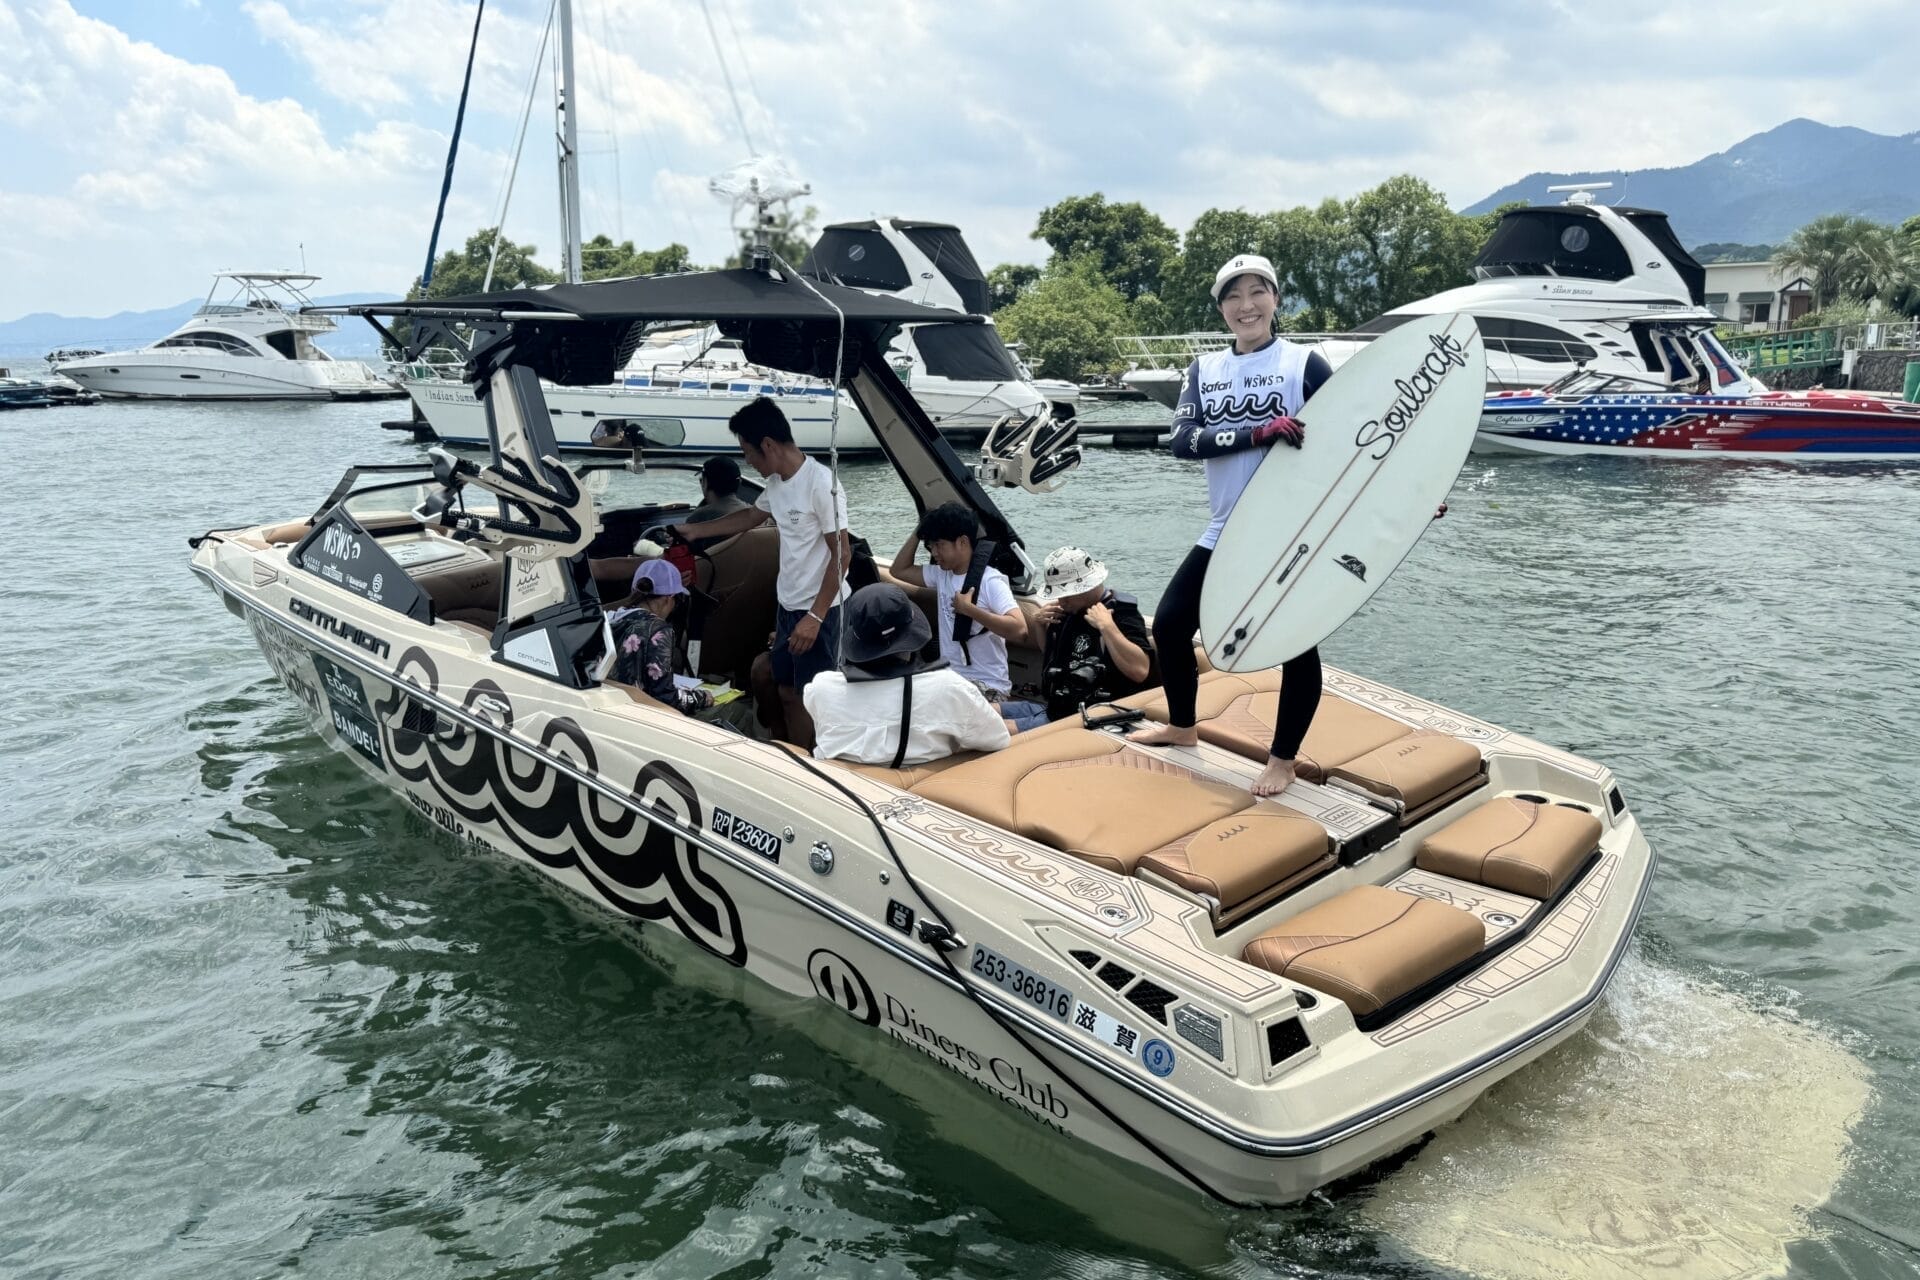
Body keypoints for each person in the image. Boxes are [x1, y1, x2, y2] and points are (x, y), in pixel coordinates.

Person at [1127, 253, 1333, 797]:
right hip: (1224, 526)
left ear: (1275, 299)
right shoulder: (1204, 370)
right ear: (1221, 309)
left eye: (1257, 292)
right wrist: (1255, 434)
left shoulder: (1304, 364)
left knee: (1295, 644)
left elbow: (1353, 438)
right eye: (1233, 296)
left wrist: (1407, 497)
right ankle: (1182, 726)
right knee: (1170, 625)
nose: (1246, 306)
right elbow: (1181, 442)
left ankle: (1283, 760)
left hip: (1287, 532)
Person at [668, 397, 848, 748]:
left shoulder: (821, 484)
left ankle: (806, 764)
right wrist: (694, 532)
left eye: (748, 451)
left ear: (767, 445)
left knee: (798, 695)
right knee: (770, 679)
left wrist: (815, 616)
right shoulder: (778, 484)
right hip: (788, 605)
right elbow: (751, 517)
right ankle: (782, 747)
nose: (746, 460)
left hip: (819, 610)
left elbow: (842, 555)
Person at [805, 583, 1009, 766]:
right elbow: (998, 739)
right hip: (918, 794)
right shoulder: (950, 687)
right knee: (1031, 713)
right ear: (912, 635)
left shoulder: (822, 687)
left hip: (843, 792)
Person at [889, 502, 1027, 701]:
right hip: (950, 680)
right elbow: (898, 570)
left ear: (962, 542)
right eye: (931, 545)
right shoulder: (942, 575)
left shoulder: (991, 581)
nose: (934, 553)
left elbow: (1020, 630)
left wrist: (970, 610)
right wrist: (921, 530)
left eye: (939, 545)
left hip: (987, 687)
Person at [1010, 546, 1155, 731]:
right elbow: (1053, 657)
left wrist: (1107, 627)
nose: (1061, 602)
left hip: (1086, 719)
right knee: (982, 712)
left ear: (1087, 586)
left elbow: (1140, 670)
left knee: (984, 729)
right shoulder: (1069, 611)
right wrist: (1039, 625)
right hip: (1056, 708)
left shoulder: (1122, 614)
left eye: (1066, 595)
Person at [608, 561, 713, 715]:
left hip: (612, 708)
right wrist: (702, 697)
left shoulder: (612, 619)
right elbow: (665, 697)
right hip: (642, 716)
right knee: (738, 712)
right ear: (668, 598)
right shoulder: (659, 630)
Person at [685, 456, 749, 546]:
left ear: (705, 482)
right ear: (739, 483)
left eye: (701, 480)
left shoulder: (699, 517)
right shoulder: (751, 512)